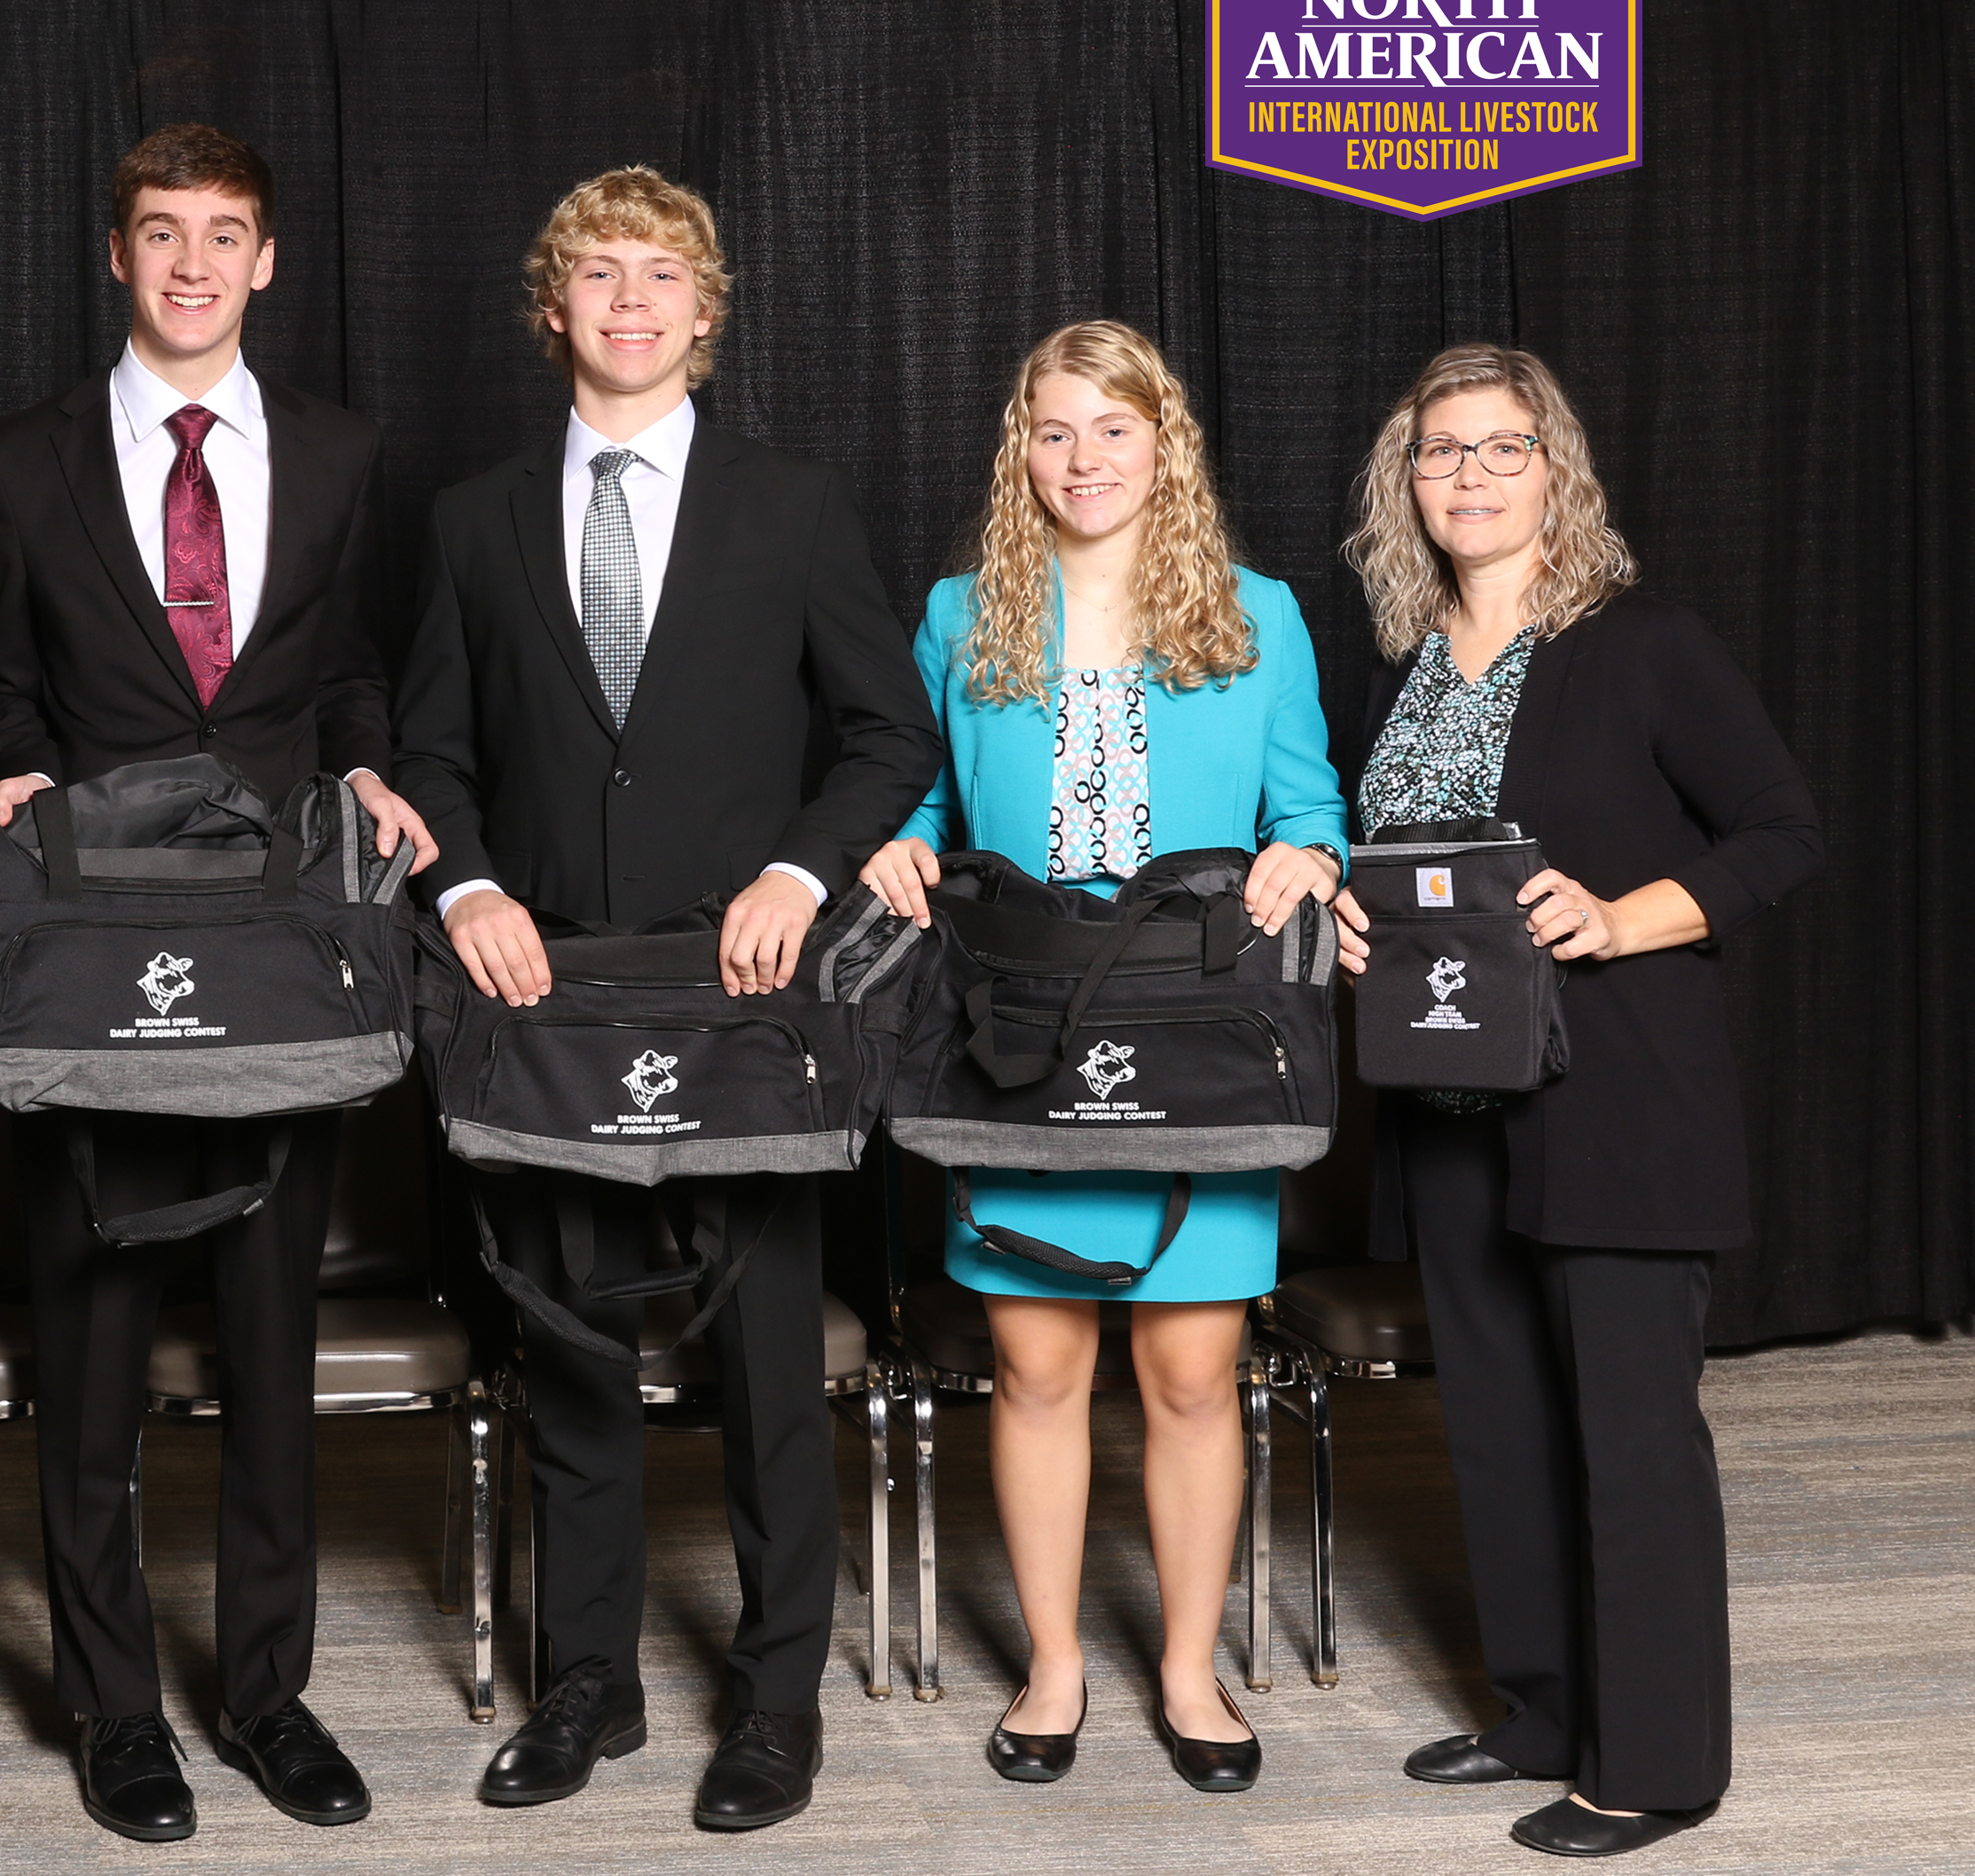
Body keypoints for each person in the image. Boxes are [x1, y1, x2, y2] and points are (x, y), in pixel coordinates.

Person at [394, 165, 941, 1832]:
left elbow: (888, 736)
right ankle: (590, 1679)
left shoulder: (792, 506)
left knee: (772, 1356)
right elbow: (430, 749)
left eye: (662, 281)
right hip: (549, 987)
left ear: (706, 319)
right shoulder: (472, 516)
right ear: (552, 310)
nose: (629, 306)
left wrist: (800, 869)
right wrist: (469, 886)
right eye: (597, 278)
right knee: (569, 1345)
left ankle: (777, 1701)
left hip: (746, 988)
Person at [0, 123, 436, 1841]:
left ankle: (269, 1696)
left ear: (267, 259)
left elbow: (351, 671)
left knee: (268, 1341)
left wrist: (377, 771)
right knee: (90, 1355)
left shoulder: (339, 449)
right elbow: (0, 679)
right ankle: (112, 1711)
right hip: (93, 953)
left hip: (275, 947)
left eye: (223, 234)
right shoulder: (19, 460)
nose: (190, 264)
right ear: (116, 254)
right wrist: (10, 766)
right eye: (160, 233)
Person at [1328, 344, 1820, 1858]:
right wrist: (1351, 930)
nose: (1468, 475)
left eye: (1502, 448)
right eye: (1439, 451)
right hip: (1454, 1099)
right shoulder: (1405, 668)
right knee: (1496, 1419)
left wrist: (1622, 915)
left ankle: (1656, 1766)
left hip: (1623, 1097)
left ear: (1560, 474)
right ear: (1401, 485)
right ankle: (1540, 1711)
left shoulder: (1642, 642)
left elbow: (1783, 830)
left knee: (1627, 1433)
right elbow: (1407, 876)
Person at [858, 319, 1345, 1795]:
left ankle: (1191, 1672)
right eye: (1058, 431)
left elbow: (1311, 809)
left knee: (1196, 1372)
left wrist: (1307, 865)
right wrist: (899, 841)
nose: (1086, 460)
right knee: (1034, 1360)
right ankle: (1059, 1667)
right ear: (1026, 450)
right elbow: (933, 800)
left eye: (1114, 429)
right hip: (1017, 1032)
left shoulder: (1258, 614)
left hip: (1197, 1031)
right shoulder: (960, 614)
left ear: (1164, 445)